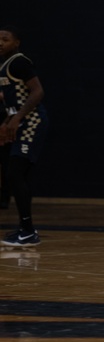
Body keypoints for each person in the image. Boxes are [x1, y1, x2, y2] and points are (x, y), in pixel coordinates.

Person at [0, 27, 48, 247]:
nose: (0, 42)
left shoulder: (19, 61)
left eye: (5, 39)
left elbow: (38, 91)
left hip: (31, 123)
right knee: (16, 176)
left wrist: (17, 118)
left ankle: (28, 231)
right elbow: (12, 99)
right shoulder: (3, 66)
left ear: (16, 42)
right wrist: (7, 121)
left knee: (15, 174)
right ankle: (25, 228)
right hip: (19, 123)